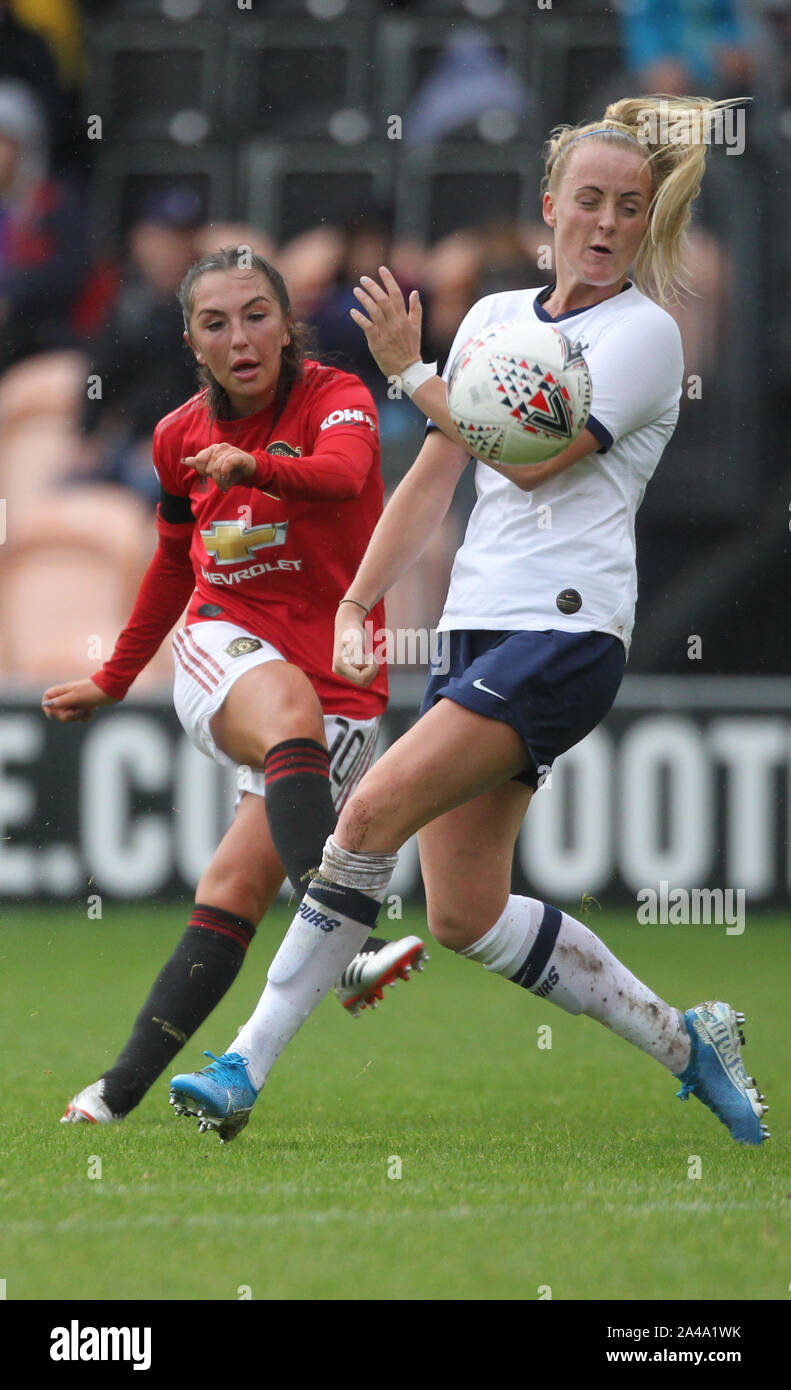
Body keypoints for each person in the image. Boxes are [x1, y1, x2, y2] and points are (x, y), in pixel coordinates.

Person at [169, 98, 769, 1148]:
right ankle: (689, 1042)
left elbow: (529, 456)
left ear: (640, 225)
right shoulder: (495, 316)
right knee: (463, 914)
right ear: (548, 206)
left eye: (626, 207)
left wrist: (411, 375)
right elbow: (434, 475)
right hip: (475, 631)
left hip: (567, 631)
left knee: (365, 816)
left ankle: (240, 1064)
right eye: (585, 198)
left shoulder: (642, 332)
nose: (603, 221)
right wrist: (358, 599)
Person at [44, 246, 426, 1127]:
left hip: (345, 681)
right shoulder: (179, 435)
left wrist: (254, 469)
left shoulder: (339, 400)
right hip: (228, 642)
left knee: (232, 892)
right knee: (283, 702)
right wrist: (114, 677)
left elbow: (337, 479)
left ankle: (112, 1094)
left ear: (288, 326)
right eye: (215, 324)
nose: (240, 337)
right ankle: (346, 934)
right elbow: (174, 567)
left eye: (256, 315)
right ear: (192, 342)